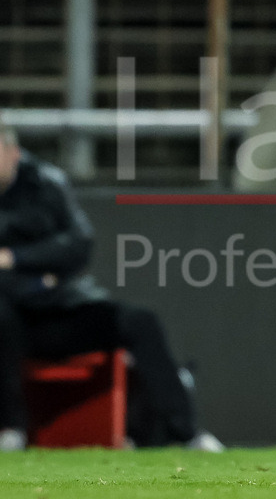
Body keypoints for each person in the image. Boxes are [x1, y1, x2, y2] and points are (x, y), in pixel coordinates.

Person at [0, 120, 222, 452]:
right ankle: (10, 430)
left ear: (13, 153)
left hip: (58, 309)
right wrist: (36, 272)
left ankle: (186, 432)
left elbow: (78, 245)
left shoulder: (47, 185)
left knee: (139, 321)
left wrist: (14, 259)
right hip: (10, 318)